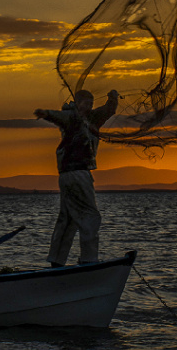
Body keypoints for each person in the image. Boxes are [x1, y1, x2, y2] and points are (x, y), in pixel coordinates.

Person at [34, 88, 119, 266]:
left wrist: (112, 97)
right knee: (89, 215)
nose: (89, 106)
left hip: (67, 174)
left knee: (68, 218)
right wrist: (46, 114)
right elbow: (59, 117)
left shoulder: (94, 119)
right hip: (78, 173)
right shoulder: (71, 117)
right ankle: (89, 260)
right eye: (86, 103)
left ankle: (57, 261)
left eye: (91, 103)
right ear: (77, 103)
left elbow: (109, 110)